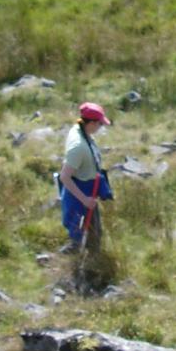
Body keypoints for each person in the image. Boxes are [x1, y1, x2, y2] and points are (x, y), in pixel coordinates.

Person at [56, 102, 114, 253]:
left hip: (89, 187)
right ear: (92, 123)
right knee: (81, 232)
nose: (101, 127)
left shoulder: (80, 130)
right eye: (100, 124)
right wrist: (85, 200)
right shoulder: (78, 147)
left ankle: (86, 254)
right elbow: (64, 177)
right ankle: (74, 261)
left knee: (94, 231)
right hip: (80, 192)